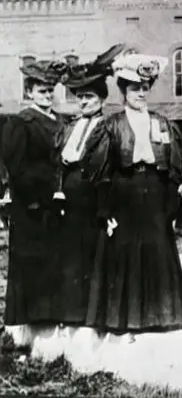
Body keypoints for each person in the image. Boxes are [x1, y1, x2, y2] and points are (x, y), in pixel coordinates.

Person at [85, 52, 182, 334]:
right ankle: (125, 319)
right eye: (135, 89)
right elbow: (102, 172)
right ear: (123, 91)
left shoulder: (162, 123)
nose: (141, 94)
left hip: (154, 195)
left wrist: (171, 205)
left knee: (157, 249)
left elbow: (172, 170)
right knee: (126, 253)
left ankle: (159, 317)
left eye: (145, 88)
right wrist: (105, 208)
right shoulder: (112, 124)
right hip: (125, 193)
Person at [51, 45, 125, 326]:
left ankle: (93, 315)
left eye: (89, 96)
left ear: (101, 99)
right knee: (70, 256)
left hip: (92, 196)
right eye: (80, 96)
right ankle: (70, 313)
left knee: (92, 256)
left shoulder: (107, 128)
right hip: (69, 199)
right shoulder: (69, 128)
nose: (84, 101)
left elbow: (106, 165)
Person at [1, 59, 67, 338]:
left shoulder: (62, 122)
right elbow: (15, 166)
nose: (47, 95)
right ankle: (29, 324)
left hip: (58, 205)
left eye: (50, 90)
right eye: (41, 91)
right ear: (30, 93)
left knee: (56, 260)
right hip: (33, 206)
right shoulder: (22, 122)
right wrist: (35, 197)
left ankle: (52, 315)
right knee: (33, 261)